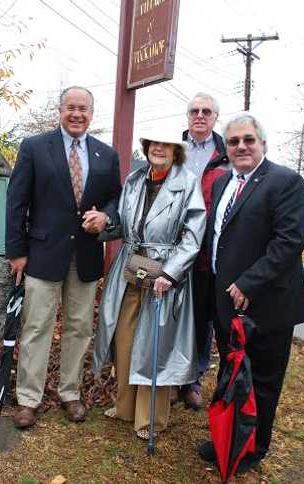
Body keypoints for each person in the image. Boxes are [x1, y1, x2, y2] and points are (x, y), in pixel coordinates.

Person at [198, 113, 304, 474]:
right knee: (230, 373)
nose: (241, 147)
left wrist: (249, 282)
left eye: (248, 140)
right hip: (225, 301)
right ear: (225, 148)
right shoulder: (221, 184)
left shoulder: (285, 182)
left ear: (263, 143)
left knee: (262, 381)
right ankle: (227, 439)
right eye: (233, 142)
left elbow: (289, 242)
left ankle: (252, 449)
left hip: (269, 304)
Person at [5, 86, 122, 429]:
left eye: (83, 109)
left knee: (79, 327)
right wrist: (16, 252)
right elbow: (16, 202)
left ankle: (70, 392)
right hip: (42, 253)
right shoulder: (35, 147)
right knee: (37, 326)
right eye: (70, 107)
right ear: (60, 110)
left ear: (91, 114)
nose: (76, 114)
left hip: (85, 255)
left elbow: (116, 198)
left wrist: (106, 218)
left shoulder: (106, 155)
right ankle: (28, 398)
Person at [93, 131, 206, 440]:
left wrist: (170, 273)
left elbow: (193, 235)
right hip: (131, 267)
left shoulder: (187, 182)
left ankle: (150, 420)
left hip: (163, 274)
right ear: (146, 148)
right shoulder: (136, 179)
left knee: (156, 344)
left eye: (165, 144)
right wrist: (103, 224)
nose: (158, 148)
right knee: (126, 337)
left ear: (175, 151)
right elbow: (123, 224)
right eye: (153, 143)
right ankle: (125, 407)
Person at [175, 93, 230, 410]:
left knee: (202, 319)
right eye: (194, 110)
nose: (199, 115)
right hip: (174, 246)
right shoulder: (173, 152)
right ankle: (171, 377)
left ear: (215, 117)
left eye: (206, 111)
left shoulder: (225, 155)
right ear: (187, 116)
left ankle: (193, 380)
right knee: (172, 315)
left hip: (209, 251)